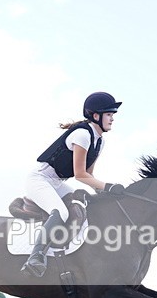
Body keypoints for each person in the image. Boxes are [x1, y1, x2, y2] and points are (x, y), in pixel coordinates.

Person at [20, 91, 126, 277]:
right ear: (96, 116)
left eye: (112, 115)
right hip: (40, 179)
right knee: (61, 211)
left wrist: (105, 193)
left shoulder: (99, 141)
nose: (112, 119)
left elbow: (89, 175)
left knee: (82, 204)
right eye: (109, 114)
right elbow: (80, 175)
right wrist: (107, 186)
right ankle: (35, 257)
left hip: (56, 182)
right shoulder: (82, 135)